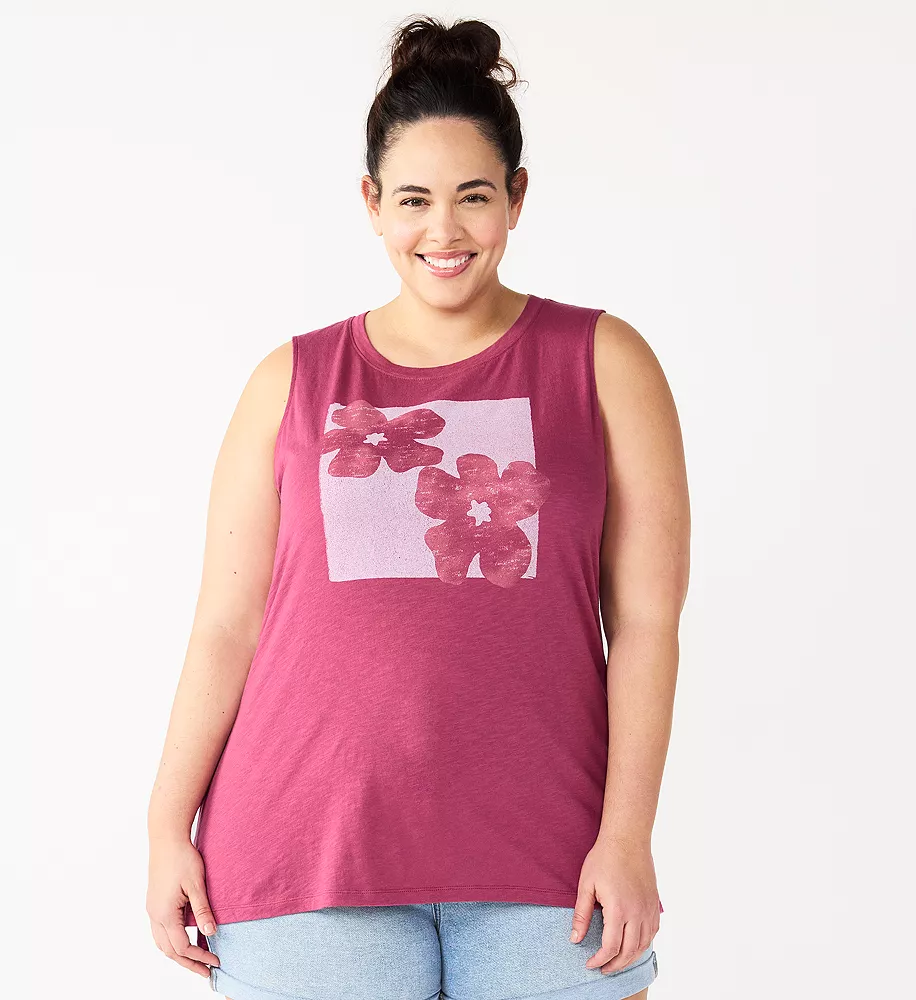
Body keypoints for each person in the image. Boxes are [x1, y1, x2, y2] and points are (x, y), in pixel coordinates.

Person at [146, 15, 689, 1000]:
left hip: (552, 858)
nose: (444, 232)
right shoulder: (291, 381)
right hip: (305, 854)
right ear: (372, 203)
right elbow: (228, 624)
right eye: (413, 200)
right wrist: (163, 827)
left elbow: (646, 624)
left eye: (473, 196)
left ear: (516, 198)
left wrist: (627, 835)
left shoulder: (604, 363)